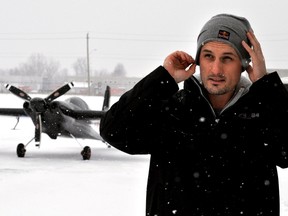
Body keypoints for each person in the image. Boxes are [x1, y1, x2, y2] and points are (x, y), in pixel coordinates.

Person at [100, 14, 288, 216]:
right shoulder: (173, 111)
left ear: (243, 64)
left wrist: (266, 85)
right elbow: (113, 130)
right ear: (198, 60)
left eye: (227, 58)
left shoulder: (261, 114)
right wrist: (163, 78)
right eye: (208, 56)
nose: (216, 69)